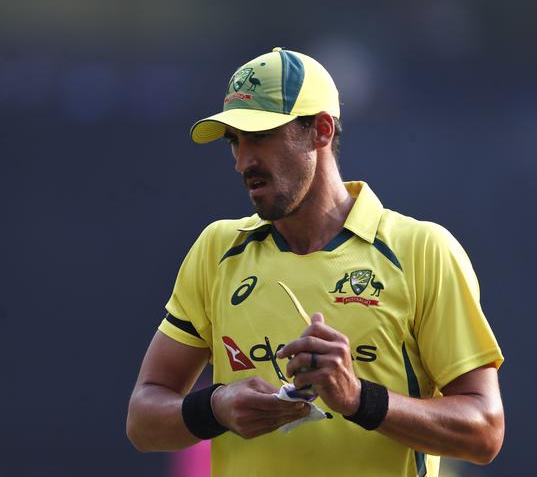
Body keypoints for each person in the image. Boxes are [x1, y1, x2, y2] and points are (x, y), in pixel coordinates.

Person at [126, 47, 504, 477]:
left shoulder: (420, 250)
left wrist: (359, 398)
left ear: (321, 131)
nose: (242, 161)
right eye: (235, 140)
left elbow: (484, 431)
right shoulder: (217, 250)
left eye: (261, 136)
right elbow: (143, 420)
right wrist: (214, 408)